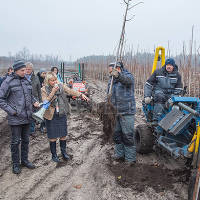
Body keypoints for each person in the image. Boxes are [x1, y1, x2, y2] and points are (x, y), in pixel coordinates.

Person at [0, 60, 40, 174]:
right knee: (15, 142)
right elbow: (1, 99)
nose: (25, 72)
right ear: (16, 70)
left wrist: (35, 102)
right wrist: (12, 112)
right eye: (22, 70)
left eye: (25, 70)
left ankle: (25, 161)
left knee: (26, 141)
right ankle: (16, 164)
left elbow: (31, 96)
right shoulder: (8, 82)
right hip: (16, 118)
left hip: (27, 117)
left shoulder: (26, 81)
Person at [41, 72, 89, 162]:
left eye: (55, 79)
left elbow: (70, 91)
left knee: (63, 134)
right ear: (48, 81)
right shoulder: (44, 89)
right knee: (53, 136)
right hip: (51, 115)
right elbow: (45, 101)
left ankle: (64, 153)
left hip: (61, 113)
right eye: (52, 80)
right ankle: (54, 155)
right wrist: (53, 92)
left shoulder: (61, 85)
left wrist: (81, 95)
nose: (55, 82)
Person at [108, 62, 136, 166]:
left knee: (127, 136)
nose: (111, 72)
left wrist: (118, 76)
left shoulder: (127, 76)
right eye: (110, 70)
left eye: (113, 70)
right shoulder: (111, 80)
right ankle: (119, 155)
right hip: (115, 112)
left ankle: (130, 159)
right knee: (117, 135)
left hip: (126, 111)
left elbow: (128, 81)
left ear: (118, 68)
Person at [144, 58, 183, 123]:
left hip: (171, 94)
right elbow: (148, 84)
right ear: (165, 65)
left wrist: (173, 98)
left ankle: (174, 121)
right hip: (159, 92)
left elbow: (179, 88)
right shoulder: (157, 72)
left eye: (170, 65)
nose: (168, 66)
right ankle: (156, 119)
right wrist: (147, 96)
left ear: (173, 66)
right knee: (160, 96)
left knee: (176, 101)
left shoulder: (177, 75)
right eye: (167, 65)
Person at [25, 62, 42, 135]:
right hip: (25, 100)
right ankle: (25, 130)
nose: (28, 70)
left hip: (34, 100)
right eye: (26, 69)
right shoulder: (22, 78)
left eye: (29, 69)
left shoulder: (36, 78)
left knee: (32, 115)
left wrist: (40, 101)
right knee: (26, 115)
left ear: (32, 69)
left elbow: (39, 90)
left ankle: (31, 130)